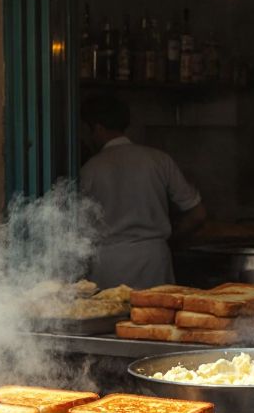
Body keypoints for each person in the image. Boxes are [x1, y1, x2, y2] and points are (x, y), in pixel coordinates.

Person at [79, 95, 206, 289]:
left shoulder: (90, 169)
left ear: (97, 128)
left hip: (108, 264)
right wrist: (173, 238)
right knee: (156, 316)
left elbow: (81, 227)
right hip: (153, 261)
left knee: (110, 316)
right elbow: (198, 214)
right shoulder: (159, 160)